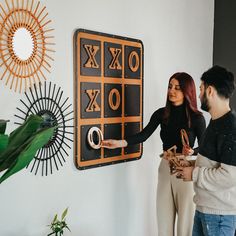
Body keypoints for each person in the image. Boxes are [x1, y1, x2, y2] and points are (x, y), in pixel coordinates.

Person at [102, 72, 206, 236]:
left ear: (188, 91)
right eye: (170, 86)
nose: (172, 90)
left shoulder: (197, 118)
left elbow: (205, 147)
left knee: (185, 226)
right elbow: (143, 135)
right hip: (165, 166)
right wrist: (119, 143)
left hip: (185, 168)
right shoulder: (162, 114)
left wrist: (193, 151)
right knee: (163, 222)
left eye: (177, 88)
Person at [176, 65, 236, 236]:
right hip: (205, 209)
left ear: (210, 91)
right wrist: (190, 164)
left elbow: (230, 176)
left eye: (201, 89)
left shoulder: (230, 128)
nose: (198, 94)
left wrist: (193, 174)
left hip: (219, 216)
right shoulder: (215, 123)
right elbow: (213, 163)